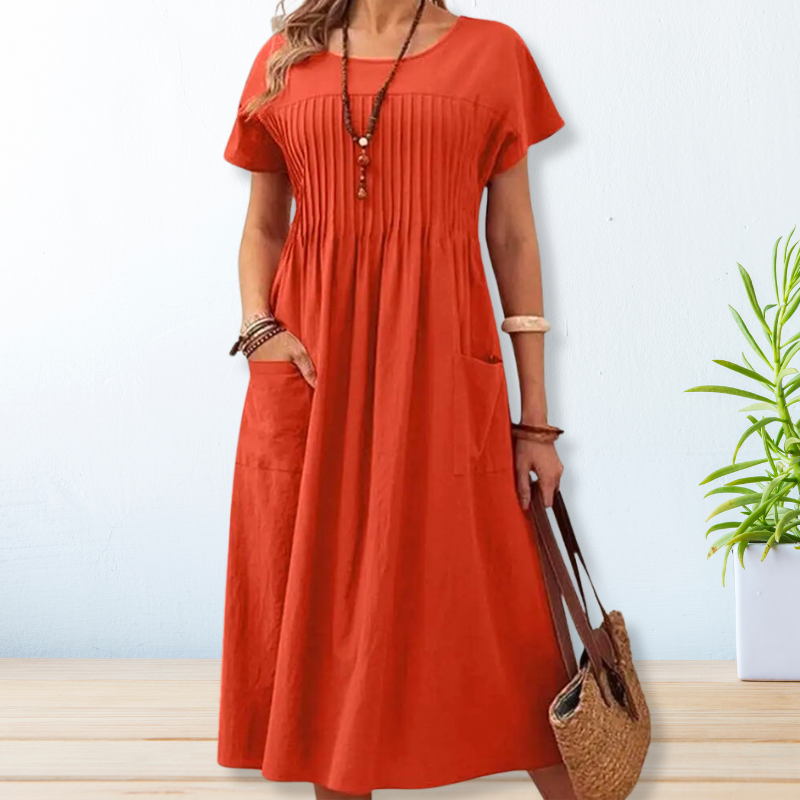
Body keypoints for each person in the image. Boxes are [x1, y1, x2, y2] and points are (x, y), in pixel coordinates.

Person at [217, 1, 575, 798]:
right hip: (314, 368)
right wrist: (257, 327)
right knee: (323, 596)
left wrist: (536, 421)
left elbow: (513, 236)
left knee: (492, 599)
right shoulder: (286, 57)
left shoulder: (495, 53)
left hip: (443, 367)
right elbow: (264, 225)